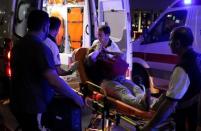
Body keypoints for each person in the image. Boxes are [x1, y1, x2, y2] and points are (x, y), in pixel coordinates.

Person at [10, 10, 84, 131]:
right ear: (45, 27)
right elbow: (54, 80)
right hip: (33, 106)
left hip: (17, 103)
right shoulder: (40, 48)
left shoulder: (18, 45)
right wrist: (75, 97)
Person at [142, 26, 201, 131]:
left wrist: (149, 127)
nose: (169, 43)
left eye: (170, 40)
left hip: (188, 119)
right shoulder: (197, 58)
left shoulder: (183, 68)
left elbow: (170, 104)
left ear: (177, 43)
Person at [85, 25, 150, 111]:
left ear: (107, 35)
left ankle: (143, 99)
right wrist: (98, 50)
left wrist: (107, 52)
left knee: (134, 87)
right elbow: (90, 59)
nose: (98, 38)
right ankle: (140, 104)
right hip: (104, 81)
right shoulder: (95, 48)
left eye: (100, 35)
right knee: (123, 90)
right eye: (98, 35)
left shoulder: (112, 47)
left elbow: (121, 56)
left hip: (115, 76)